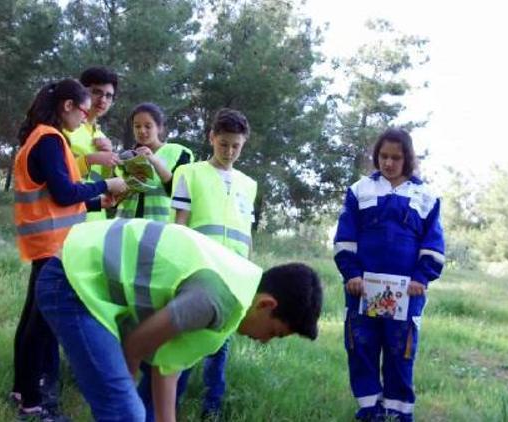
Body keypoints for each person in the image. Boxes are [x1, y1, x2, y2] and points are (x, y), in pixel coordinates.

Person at [36, 218, 323, 422]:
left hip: (79, 279)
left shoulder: (238, 291)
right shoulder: (215, 300)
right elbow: (134, 347)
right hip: (70, 282)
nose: (263, 341)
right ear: (266, 305)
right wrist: (123, 394)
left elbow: (167, 367)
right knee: (127, 413)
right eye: (273, 333)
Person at [11, 78, 129, 420]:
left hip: (44, 241)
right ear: (67, 107)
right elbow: (64, 193)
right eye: (83, 110)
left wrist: (96, 200)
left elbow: (58, 197)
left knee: (32, 322)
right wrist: (107, 182)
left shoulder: (39, 136)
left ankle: (23, 390)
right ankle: (34, 404)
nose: (85, 118)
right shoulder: (50, 139)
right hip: (52, 245)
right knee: (40, 325)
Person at [333, 128, 445, 422]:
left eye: (396, 157)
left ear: (407, 158)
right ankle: (370, 411)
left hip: (407, 295)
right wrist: (351, 273)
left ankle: (398, 413)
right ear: (376, 156)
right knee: (361, 350)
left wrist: (422, 277)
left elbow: (433, 244)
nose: (389, 163)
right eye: (384, 156)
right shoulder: (359, 190)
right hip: (362, 291)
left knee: (400, 354)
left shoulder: (427, 196)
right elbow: (345, 238)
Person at [149, 108, 254, 420]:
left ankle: (212, 407)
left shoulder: (248, 184)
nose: (230, 151)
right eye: (224, 144)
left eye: (236, 145)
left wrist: (249, 273)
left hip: (233, 275)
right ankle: (170, 406)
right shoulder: (189, 174)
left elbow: (247, 233)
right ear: (212, 138)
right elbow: (180, 225)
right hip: (199, 273)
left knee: (220, 343)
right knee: (183, 342)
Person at [63, 66, 122, 221]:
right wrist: (90, 159)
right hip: (66, 216)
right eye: (97, 92)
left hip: (96, 218)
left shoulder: (102, 137)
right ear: (82, 92)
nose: (103, 100)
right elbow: (56, 175)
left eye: (109, 96)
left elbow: (100, 182)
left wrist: (111, 165)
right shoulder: (64, 128)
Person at [118, 102, 194, 221]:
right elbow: (113, 199)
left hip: (160, 228)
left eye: (148, 126)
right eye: (137, 126)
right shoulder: (125, 157)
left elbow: (179, 194)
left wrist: (154, 160)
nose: (142, 131)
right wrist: (129, 185)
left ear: (159, 128)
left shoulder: (180, 153)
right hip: (125, 227)